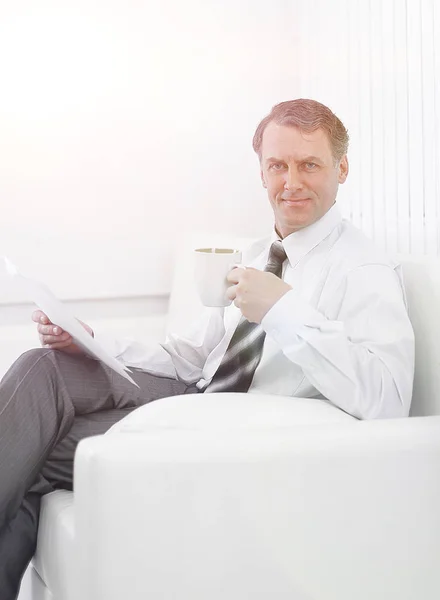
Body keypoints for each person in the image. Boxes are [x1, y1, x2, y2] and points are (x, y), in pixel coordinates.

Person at [0, 99, 414, 598]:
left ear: (341, 168)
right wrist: (90, 341)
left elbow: (388, 399)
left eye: (310, 165)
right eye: (277, 166)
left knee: (30, 451)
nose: (292, 182)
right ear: (261, 171)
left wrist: (282, 310)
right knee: (44, 364)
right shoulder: (258, 253)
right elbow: (192, 358)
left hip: (235, 431)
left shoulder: (363, 269)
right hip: (196, 397)